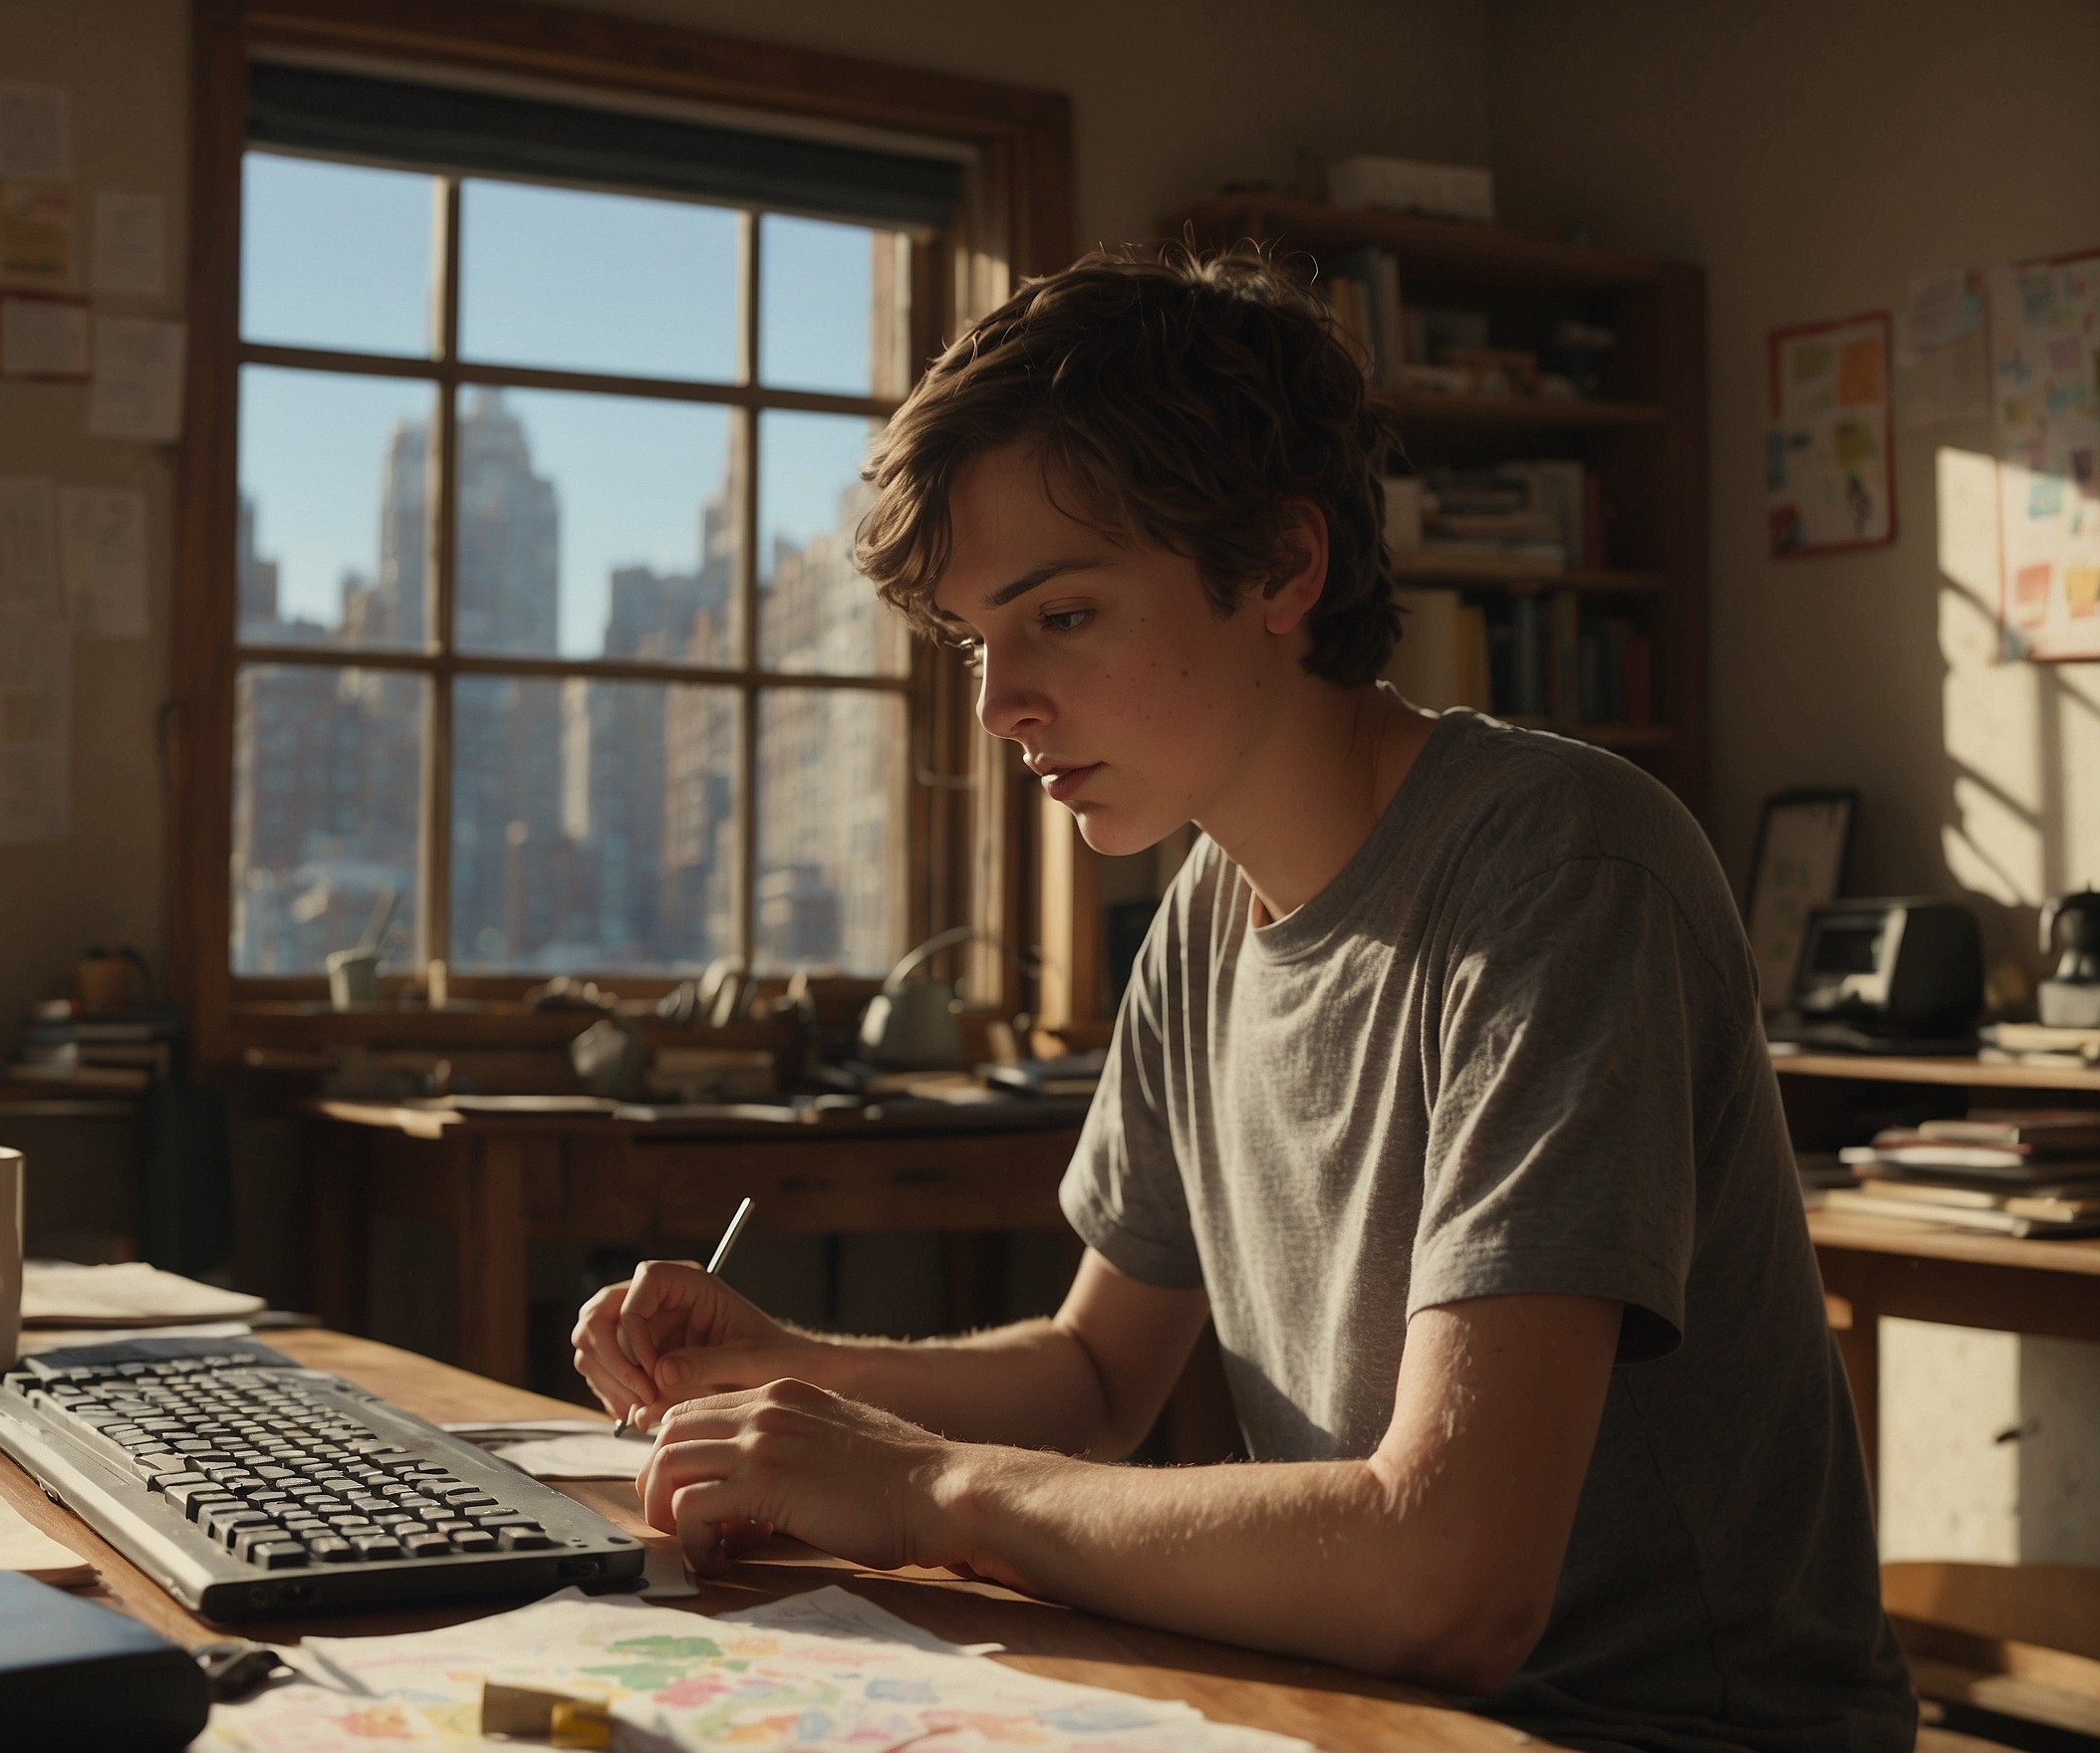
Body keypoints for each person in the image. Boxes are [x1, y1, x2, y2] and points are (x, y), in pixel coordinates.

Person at [573, 244, 1913, 1753]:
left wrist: (915, 1485)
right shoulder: (1204, 912)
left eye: (1059, 617)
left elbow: (1449, 1580)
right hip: (1352, 1710)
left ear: (1283, 566)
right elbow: (1093, 1380)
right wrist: (794, 1379)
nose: (998, 701)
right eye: (972, 641)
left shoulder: (1565, 870)